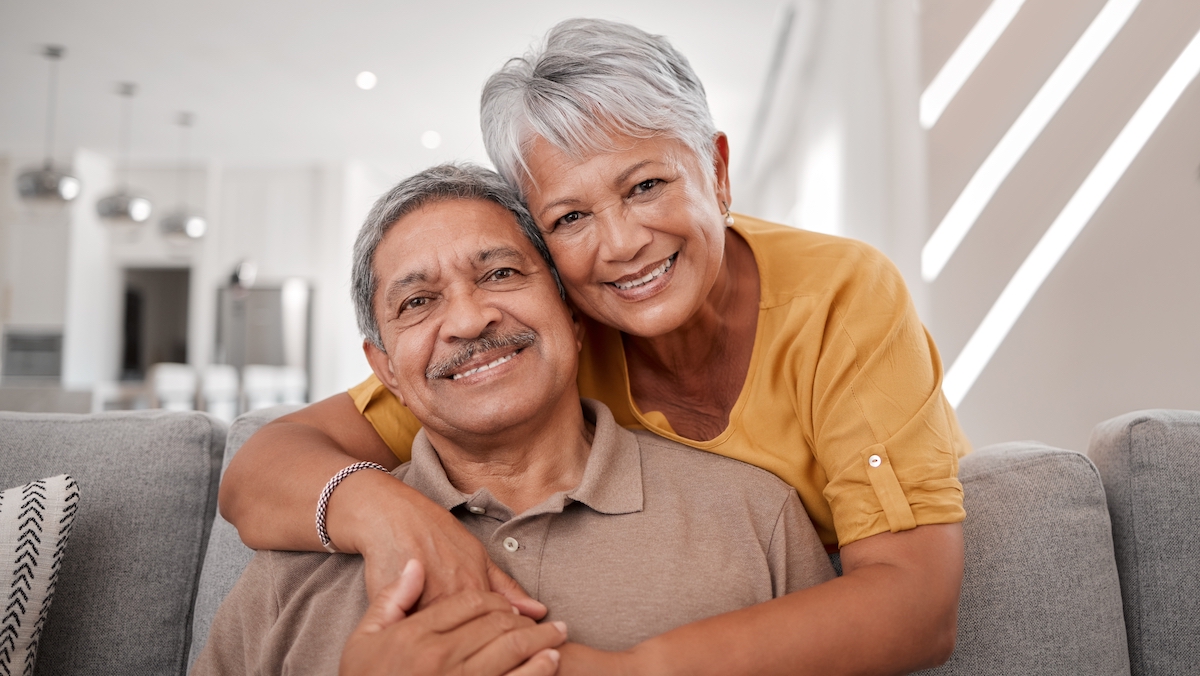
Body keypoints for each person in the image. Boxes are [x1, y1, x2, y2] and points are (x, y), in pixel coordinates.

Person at [220, 18, 969, 675]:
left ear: (717, 170)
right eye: (571, 217)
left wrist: (627, 671)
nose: (621, 246)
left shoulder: (839, 297)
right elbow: (261, 467)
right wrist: (394, 516)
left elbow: (916, 600)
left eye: (645, 186)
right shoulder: (530, 341)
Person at [192, 164, 834, 675]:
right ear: (384, 368)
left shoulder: (757, 518)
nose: (470, 320)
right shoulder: (299, 559)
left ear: (575, 314)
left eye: (500, 273)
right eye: (418, 302)